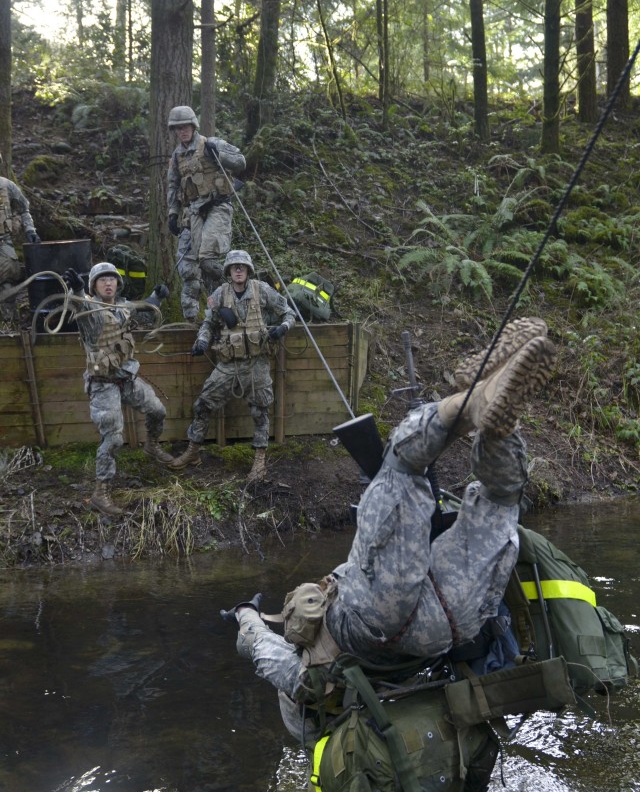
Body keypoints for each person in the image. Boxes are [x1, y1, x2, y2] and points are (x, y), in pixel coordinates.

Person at [226, 317, 557, 741]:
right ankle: (464, 405)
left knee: (500, 501)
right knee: (401, 468)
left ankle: (493, 420)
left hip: (442, 628)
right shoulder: (305, 667)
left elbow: (260, 652)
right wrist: (248, 617)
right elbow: (263, 650)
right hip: (380, 620)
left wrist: (243, 615)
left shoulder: (312, 698)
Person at [169, 249, 295, 482]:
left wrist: (283, 328)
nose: (238, 270)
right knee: (203, 404)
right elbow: (208, 323)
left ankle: (259, 460)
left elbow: (288, 312)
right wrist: (202, 341)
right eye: (234, 267)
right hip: (228, 365)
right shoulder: (220, 294)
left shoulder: (262, 290)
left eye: (242, 266)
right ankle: (193, 451)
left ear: (248, 270)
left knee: (260, 411)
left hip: (256, 363)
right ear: (228, 271)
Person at [62, 262, 173, 517]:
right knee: (113, 438)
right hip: (103, 385)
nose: (108, 283)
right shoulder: (88, 308)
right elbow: (77, 303)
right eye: (102, 280)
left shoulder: (123, 307)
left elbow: (143, 313)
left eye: (112, 279)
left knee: (157, 410)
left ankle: (152, 445)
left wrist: (157, 297)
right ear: (94, 286)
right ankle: (101, 493)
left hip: (127, 377)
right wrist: (77, 291)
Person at [166, 105, 246, 319]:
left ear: (193, 126)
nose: (182, 131)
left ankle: (230, 303)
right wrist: (173, 213)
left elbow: (240, 161)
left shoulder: (210, 143)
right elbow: (173, 186)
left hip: (217, 206)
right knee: (187, 268)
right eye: (178, 128)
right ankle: (191, 318)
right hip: (193, 212)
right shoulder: (177, 156)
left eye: (186, 127)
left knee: (208, 260)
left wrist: (219, 153)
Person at [0, 161, 40, 291]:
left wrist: (30, 230)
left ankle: (9, 312)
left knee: (7, 286)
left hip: (3, 243)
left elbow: (24, 209)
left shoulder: (6, 186)